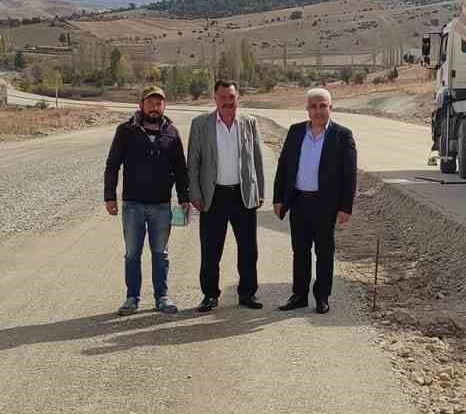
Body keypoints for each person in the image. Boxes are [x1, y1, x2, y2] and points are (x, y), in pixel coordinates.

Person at [104, 85, 189, 315]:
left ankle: (162, 297)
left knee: (160, 254)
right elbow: (112, 165)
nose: (154, 107)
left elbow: (180, 169)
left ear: (164, 106)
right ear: (141, 105)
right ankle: (132, 298)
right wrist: (110, 196)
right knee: (132, 254)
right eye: (150, 103)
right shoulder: (126, 130)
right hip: (133, 205)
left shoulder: (172, 133)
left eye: (159, 103)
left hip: (161, 205)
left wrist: (184, 197)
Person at [273, 88, 358, 314]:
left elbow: (349, 175)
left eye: (323, 106)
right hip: (299, 201)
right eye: (314, 106)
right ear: (307, 109)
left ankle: (322, 297)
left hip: (325, 204)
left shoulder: (342, 136)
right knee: (300, 251)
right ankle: (299, 295)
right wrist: (278, 198)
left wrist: (345, 207)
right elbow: (284, 166)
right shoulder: (295, 131)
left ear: (331, 108)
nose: (318, 110)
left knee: (324, 252)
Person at [188, 80, 266, 312]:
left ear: (237, 97)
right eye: (222, 97)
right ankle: (210, 295)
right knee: (211, 250)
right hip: (214, 196)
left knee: (249, 249)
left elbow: (257, 159)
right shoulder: (201, 124)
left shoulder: (249, 122)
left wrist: (259, 191)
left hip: (243, 194)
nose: (227, 102)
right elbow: (193, 162)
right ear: (215, 99)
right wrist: (195, 192)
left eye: (231, 97)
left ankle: (247, 293)